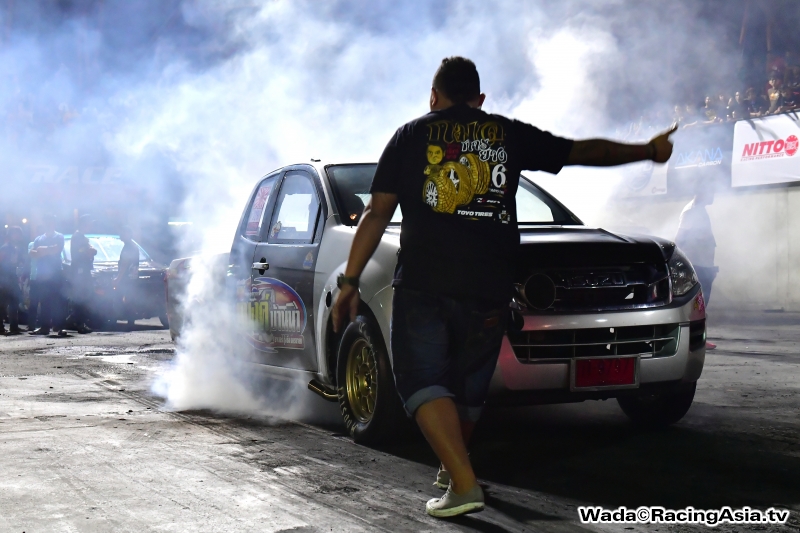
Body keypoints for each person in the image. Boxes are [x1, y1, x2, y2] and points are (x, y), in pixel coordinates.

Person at [331, 56, 677, 518]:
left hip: (425, 284)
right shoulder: (506, 133)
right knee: (468, 387)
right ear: (479, 99)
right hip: (490, 286)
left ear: (433, 97)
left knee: (420, 381)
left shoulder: (410, 135)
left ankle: (464, 484)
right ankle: (453, 471)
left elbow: (377, 213)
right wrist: (647, 150)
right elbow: (581, 152)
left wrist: (350, 280)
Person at [675, 185, 717, 350]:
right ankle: (696, 339)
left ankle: (699, 338)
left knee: (702, 303)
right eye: (711, 192)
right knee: (698, 304)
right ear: (702, 192)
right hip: (698, 265)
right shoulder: (691, 212)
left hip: (704, 265)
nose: (713, 195)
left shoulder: (700, 210)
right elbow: (680, 238)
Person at [28, 215, 66, 336]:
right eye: (47, 222)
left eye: (51, 222)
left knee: (57, 301)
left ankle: (59, 327)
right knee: (44, 301)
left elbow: (57, 249)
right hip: (42, 274)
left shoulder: (59, 236)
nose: (49, 224)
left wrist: (42, 250)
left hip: (55, 274)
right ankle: (44, 327)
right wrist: (48, 250)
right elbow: (32, 253)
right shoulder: (38, 239)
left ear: (54, 223)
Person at [66, 214, 97, 334]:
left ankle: (74, 320)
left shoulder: (82, 236)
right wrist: (90, 251)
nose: (91, 226)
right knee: (81, 297)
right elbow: (81, 252)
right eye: (89, 223)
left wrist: (91, 250)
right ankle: (78, 323)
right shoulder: (78, 236)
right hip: (80, 271)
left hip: (83, 270)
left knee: (84, 297)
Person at [0, 227, 26, 334]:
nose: (18, 237)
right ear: (11, 235)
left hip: (12, 278)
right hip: (4, 279)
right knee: (2, 303)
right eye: (16, 234)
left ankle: (14, 326)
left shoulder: (15, 248)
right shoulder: (5, 248)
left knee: (14, 302)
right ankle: (1, 328)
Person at [114, 226, 139, 327]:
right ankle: (130, 321)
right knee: (130, 299)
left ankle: (126, 320)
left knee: (125, 299)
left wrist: (118, 278)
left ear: (128, 234)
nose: (120, 235)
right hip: (132, 277)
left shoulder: (129, 246)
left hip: (127, 278)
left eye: (122, 233)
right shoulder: (133, 245)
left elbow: (125, 263)